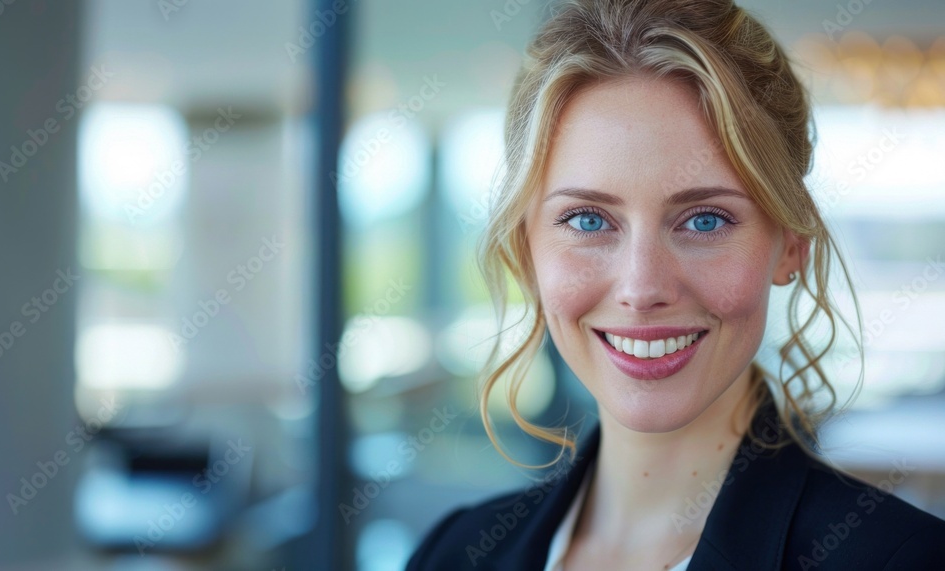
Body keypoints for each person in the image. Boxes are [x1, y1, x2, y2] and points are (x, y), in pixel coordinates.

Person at [404, 0, 945, 569]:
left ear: (790, 243)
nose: (642, 288)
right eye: (588, 220)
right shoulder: (452, 554)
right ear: (526, 250)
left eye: (704, 220)